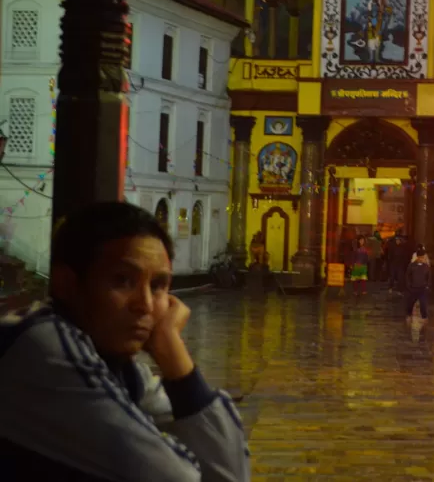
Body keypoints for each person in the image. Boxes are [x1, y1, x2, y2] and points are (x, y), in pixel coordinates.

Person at [0, 201, 249, 481]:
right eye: (122, 281)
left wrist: (172, 352)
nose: (144, 305)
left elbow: (231, 474)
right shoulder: (42, 349)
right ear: (67, 284)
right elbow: (174, 475)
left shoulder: (123, 368)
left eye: (157, 286)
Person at [405, 246, 431, 324]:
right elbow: (407, 276)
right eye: (421, 257)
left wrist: (427, 286)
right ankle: (408, 315)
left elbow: (429, 277)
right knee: (410, 303)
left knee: (423, 303)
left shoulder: (426, 267)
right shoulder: (412, 266)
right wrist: (409, 286)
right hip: (413, 288)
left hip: (422, 288)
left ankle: (424, 317)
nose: (422, 259)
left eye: (423, 257)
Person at [386, 229, 411, 294]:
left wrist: (404, 264)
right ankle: (390, 288)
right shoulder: (393, 246)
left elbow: (405, 256)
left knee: (400, 277)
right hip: (394, 263)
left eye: (398, 240)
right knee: (392, 276)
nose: (397, 241)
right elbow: (390, 255)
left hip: (400, 264)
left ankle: (400, 289)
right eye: (396, 240)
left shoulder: (403, 247)